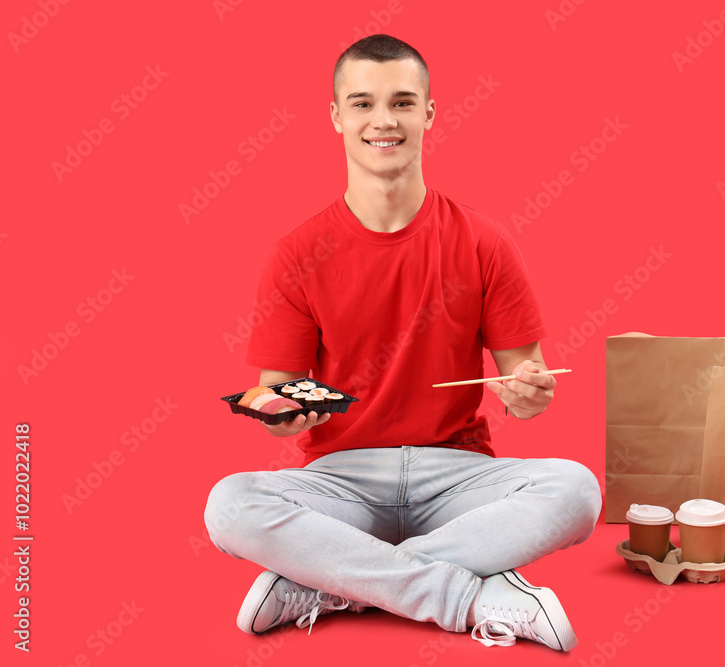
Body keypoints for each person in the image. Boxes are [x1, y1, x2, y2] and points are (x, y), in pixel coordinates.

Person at [204, 34, 602, 652]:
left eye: (402, 102)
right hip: (340, 480)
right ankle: (471, 598)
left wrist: (528, 394)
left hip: (460, 477)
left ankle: (331, 580)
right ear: (336, 116)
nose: (383, 120)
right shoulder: (296, 254)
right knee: (229, 504)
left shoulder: (485, 242)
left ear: (429, 113)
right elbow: (276, 396)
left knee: (576, 489)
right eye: (362, 103)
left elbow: (527, 381)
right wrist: (281, 412)